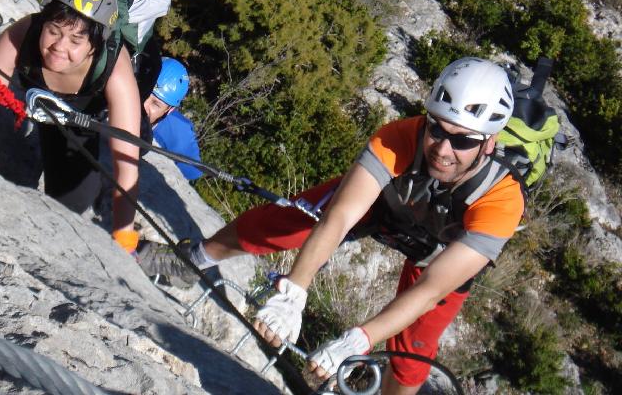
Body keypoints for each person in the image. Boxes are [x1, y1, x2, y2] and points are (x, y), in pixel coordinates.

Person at [138, 57, 523, 393]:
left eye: (463, 141)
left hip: (440, 249)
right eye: (437, 128)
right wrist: (294, 293)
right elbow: (339, 217)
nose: (442, 148)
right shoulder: (401, 137)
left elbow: (430, 288)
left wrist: (359, 339)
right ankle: (191, 259)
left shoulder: (502, 201)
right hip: (387, 205)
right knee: (289, 223)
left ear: (489, 144)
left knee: (415, 348)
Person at [0, 0, 142, 254]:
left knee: (72, 202)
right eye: (54, 30)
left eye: (76, 41)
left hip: (81, 120)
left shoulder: (115, 72)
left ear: (95, 45)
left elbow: (126, 162)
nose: (58, 47)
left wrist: (124, 237)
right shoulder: (24, 34)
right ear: (44, 21)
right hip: (36, 99)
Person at [143, 57, 203, 181]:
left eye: (155, 104)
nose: (144, 105)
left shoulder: (179, 137)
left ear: (169, 110)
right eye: (145, 93)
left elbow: (191, 174)